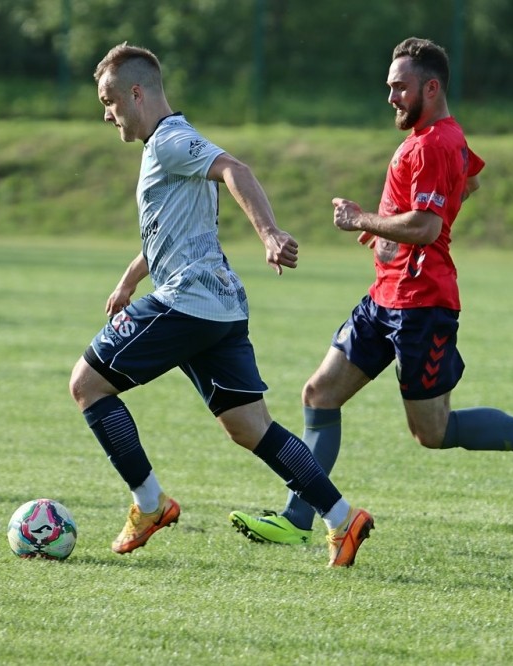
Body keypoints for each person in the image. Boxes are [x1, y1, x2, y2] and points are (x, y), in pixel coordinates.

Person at [229, 37, 513, 546]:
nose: (391, 97)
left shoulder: (434, 144)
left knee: (432, 432)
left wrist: (365, 220)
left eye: (400, 87)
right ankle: (297, 517)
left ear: (432, 87)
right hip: (385, 297)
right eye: (390, 87)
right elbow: (467, 184)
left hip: (423, 306)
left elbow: (425, 225)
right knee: (319, 394)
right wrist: (389, 231)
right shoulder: (438, 139)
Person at [68, 42, 373, 567]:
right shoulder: (167, 145)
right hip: (220, 307)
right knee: (250, 427)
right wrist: (128, 281)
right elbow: (168, 233)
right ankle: (342, 518)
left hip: (187, 301)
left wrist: (269, 233)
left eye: (109, 101)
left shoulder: (170, 140)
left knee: (87, 385)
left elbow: (236, 169)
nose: (107, 114)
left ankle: (150, 503)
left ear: (136, 93)